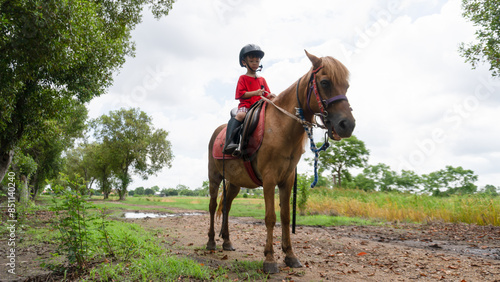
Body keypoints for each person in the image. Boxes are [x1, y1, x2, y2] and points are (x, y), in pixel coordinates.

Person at [223, 44, 275, 156]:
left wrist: (272, 96)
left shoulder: (262, 79)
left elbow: (267, 94)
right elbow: (240, 94)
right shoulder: (243, 78)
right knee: (241, 116)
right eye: (252, 61)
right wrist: (255, 93)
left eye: (257, 61)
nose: (255, 63)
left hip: (261, 106)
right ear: (244, 63)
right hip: (246, 106)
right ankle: (231, 142)